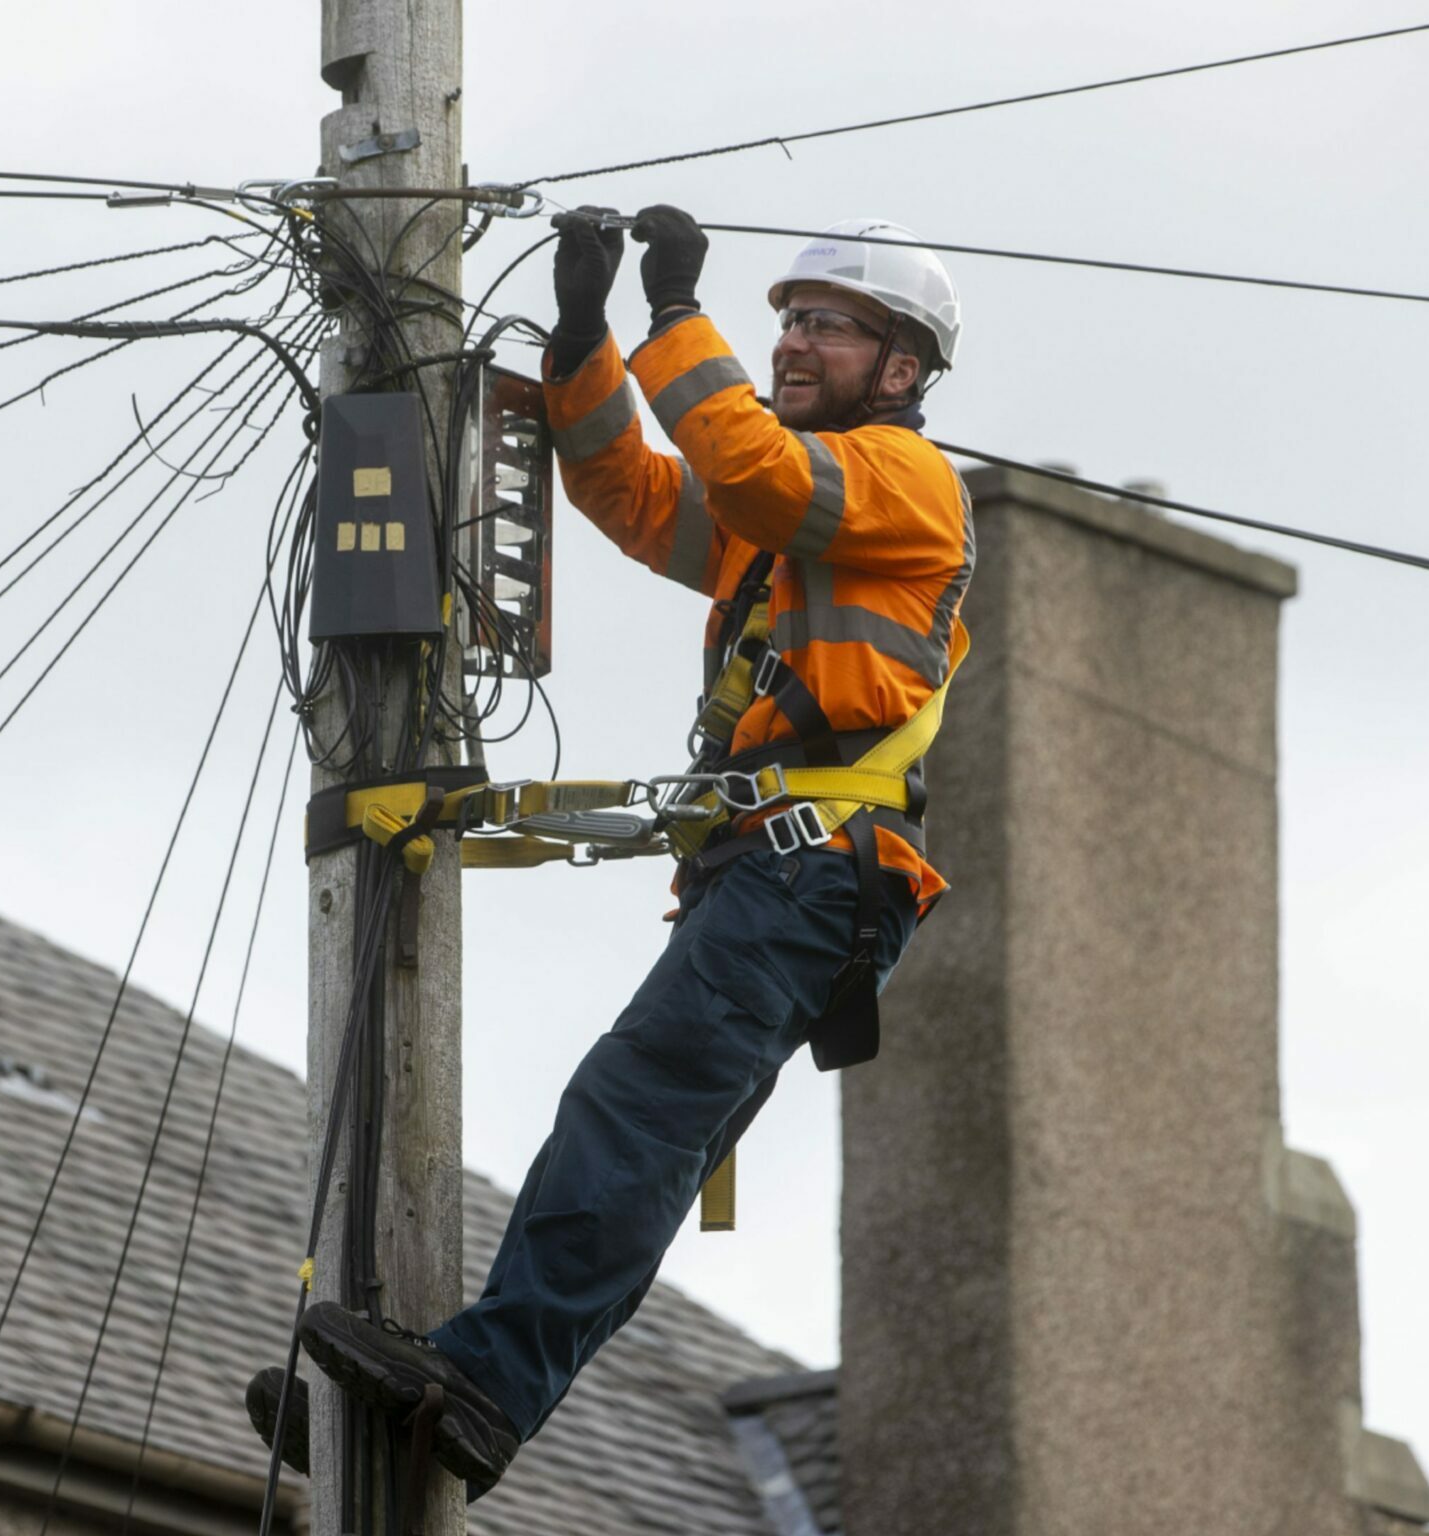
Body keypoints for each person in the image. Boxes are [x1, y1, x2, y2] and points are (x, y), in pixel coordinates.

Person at [248, 209, 974, 1497]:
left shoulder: (903, 486)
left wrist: (671, 314)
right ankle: (441, 1408)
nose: (795, 341)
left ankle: (485, 1384)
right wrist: (585, 345)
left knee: (629, 1116)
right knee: (636, 1125)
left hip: (813, 869)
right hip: (778, 872)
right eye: (789, 320)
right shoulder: (791, 525)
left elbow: (747, 467)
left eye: (826, 326)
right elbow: (639, 501)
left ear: (901, 368)